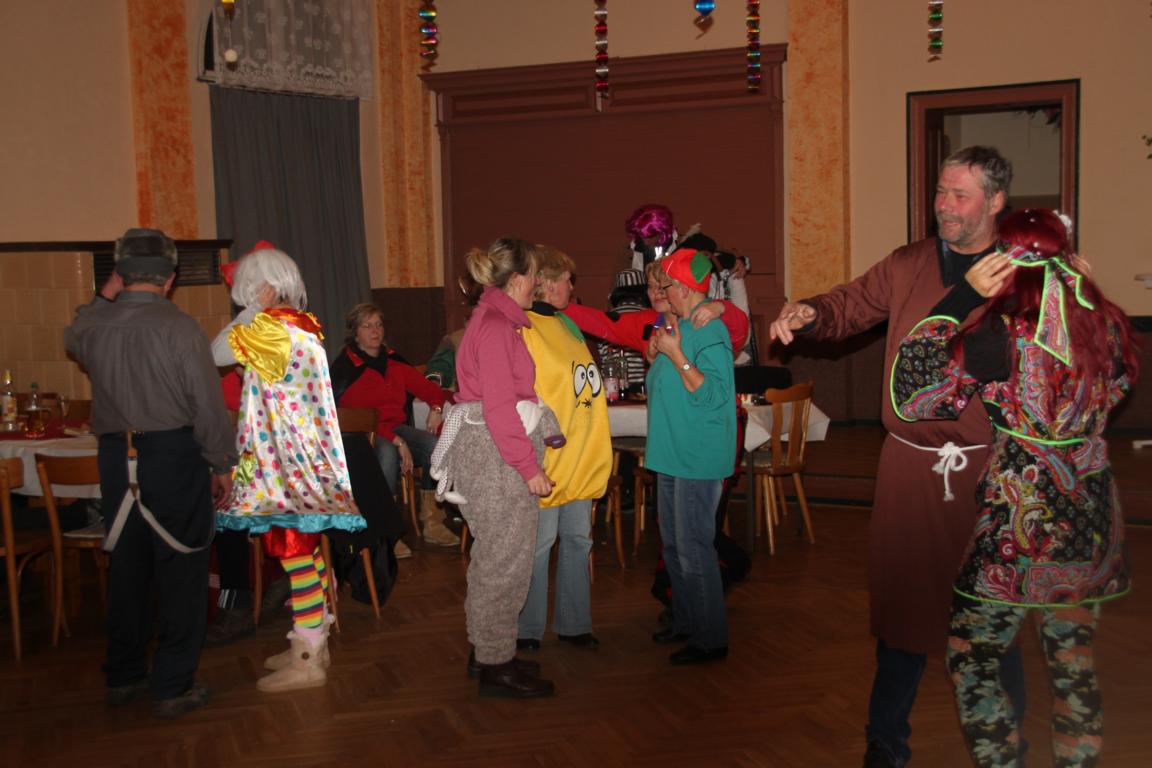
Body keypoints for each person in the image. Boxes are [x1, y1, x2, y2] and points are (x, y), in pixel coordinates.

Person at [768, 145, 1025, 768]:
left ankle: (1004, 743)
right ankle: (885, 745)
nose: (944, 206)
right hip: (910, 467)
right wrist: (811, 312)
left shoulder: (1023, 275)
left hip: (989, 471)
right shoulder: (909, 263)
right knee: (902, 615)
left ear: (995, 201)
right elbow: (850, 305)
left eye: (960, 195)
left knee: (994, 614)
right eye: (940, 192)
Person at [892, 208, 1137, 767]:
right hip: (1089, 518)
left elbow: (915, 394)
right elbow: (1119, 383)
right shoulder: (1107, 326)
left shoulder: (995, 336)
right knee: (1073, 664)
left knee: (972, 656)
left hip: (1017, 525)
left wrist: (959, 298)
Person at [64, 228, 236, 719]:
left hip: (116, 458)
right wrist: (221, 463)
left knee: (128, 569)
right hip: (172, 457)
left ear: (120, 274)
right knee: (181, 572)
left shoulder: (94, 326)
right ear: (171, 278)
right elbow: (206, 406)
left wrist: (107, 292)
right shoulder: (179, 328)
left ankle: (123, 675)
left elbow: (71, 334)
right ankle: (172, 684)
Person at [213, 244, 365, 693]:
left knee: (295, 552)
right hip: (300, 461)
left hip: (284, 467)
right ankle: (311, 642)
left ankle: (308, 660)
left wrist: (250, 312)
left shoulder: (269, 328)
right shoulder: (300, 325)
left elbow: (216, 352)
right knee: (306, 551)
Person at [429, 238, 561, 698]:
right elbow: (500, 408)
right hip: (497, 460)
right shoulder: (497, 327)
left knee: (497, 558)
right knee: (504, 562)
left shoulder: (493, 321)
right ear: (519, 279)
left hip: (492, 455)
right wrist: (529, 468)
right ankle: (495, 664)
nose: (539, 283)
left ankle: (489, 650)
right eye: (536, 275)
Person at [516, 246, 612, 653]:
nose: (572, 287)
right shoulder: (524, 329)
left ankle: (575, 624)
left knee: (577, 540)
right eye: (568, 280)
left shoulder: (567, 324)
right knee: (539, 546)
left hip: (581, 455)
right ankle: (527, 629)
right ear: (547, 283)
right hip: (548, 459)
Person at [644, 247, 737, 665]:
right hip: (670, 452)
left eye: (666, 285)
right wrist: (658, 351)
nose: (661, 292)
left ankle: (710, 638)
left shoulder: (709, 330)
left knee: (694, 547)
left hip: (697, 455)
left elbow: (714, 395)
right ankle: (685, 620)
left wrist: (677, 355)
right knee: (673, 546)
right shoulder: (677, 324)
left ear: (683, 287)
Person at [329, 303, 459, 549]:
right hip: (364, 434)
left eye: (378, 324)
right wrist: (397, 441)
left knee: (434, 445)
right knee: (387, 453)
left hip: (396, 428)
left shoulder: (393, 362)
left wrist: (436, 409)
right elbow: (357, 417)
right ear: (355, 333)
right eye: (367, 326)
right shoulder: (346, 368)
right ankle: (387, 531)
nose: (375, 331)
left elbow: (431, 390)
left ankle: (432, 520)